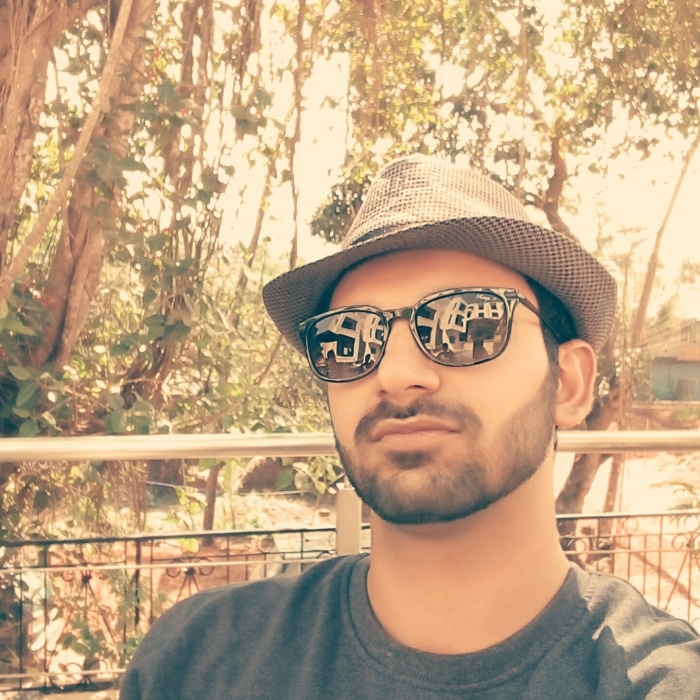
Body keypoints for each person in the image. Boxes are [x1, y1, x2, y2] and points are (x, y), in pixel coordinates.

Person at [120, 155, 700, 699]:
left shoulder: (657, 682)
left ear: (568, 384)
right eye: (349, 338)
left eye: (466, 324)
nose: (395, 375)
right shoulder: (198, 660)